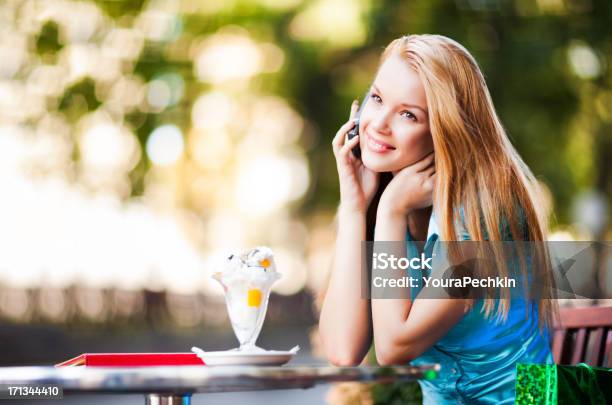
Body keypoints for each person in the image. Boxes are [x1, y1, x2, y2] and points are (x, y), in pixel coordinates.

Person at [318, 34, 555, 404]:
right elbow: (342, 351)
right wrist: (353, 208)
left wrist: (391, 212)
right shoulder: (383, 197)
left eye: (408, 114)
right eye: (377, 99)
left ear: (445, 131)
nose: (378, 123)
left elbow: (394, 348)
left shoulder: (488, 211)